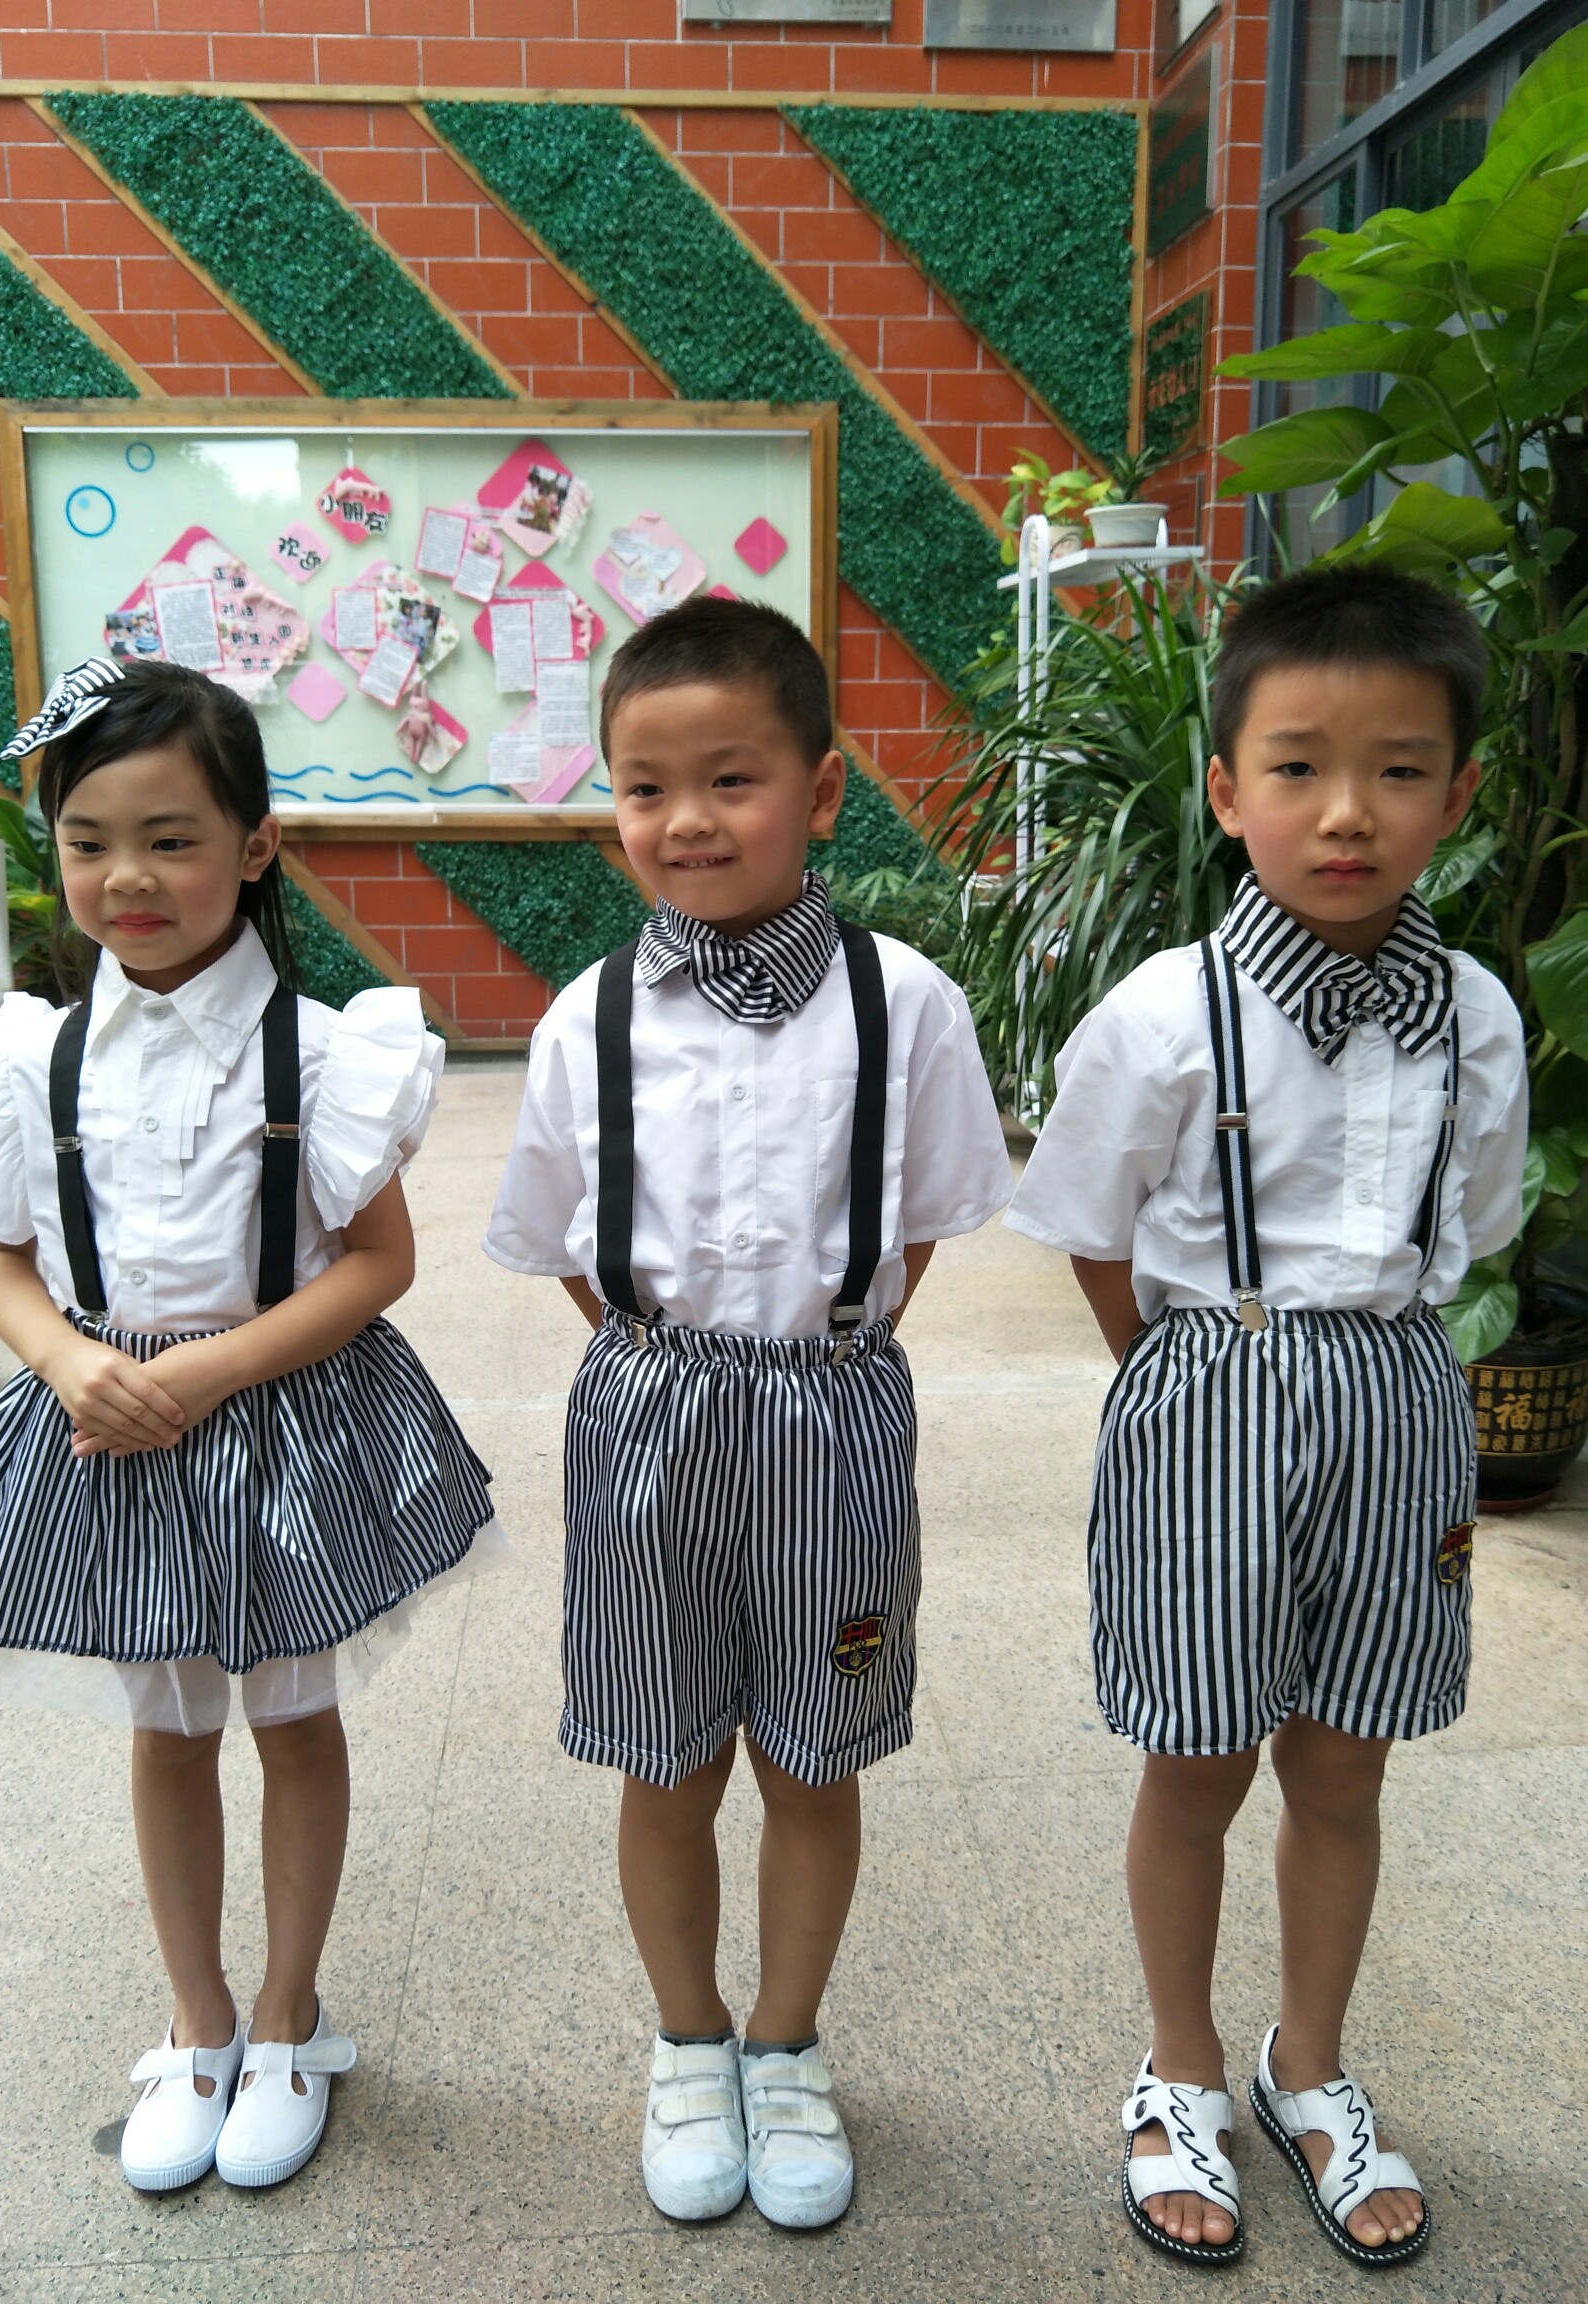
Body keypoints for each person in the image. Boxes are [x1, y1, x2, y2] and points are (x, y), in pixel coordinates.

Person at [0, 657, 503, 2194]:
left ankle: (288, 2015)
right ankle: (196, 2017)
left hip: (277, 1425)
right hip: (107, 1426)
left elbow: (379, 1262)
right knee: (163, 1731)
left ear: (255, 843)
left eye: (171, 839)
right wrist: (59, 1360)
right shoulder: (28, 1058)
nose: (128, 878)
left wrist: (216, 1370)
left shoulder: (325, 1052)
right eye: (89, 842)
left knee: (293, 1718)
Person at [1007, 566, 1527, 2270]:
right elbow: (1091, 1227)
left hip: (1394, 1388)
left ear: (1457, 792)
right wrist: (1180, 1380)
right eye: (1298, 766)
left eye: (1397, 768)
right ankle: (1176, 2067)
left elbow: (1475, 1219)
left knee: (1343, 1757)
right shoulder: (1166, 1009)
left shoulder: (1475, 1014)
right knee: (1198, 1752)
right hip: (1210, 1379)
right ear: (1227, 790)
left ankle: (1309, 2060)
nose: (1346, 810)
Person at [485, 597, 1013, 2231]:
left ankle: (785, 2042)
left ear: (823, 787)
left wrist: (821, 1357)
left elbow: (922, 1218)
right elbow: (567, 1245)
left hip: (830, 1415)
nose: (687, 820)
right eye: (646, 787)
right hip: (648, 1413)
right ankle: (686, 2036)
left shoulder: (904, 1001)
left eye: (732, 778)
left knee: (810, 1749)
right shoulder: (586, 1016)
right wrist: (668, 1366)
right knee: (664, 1756)